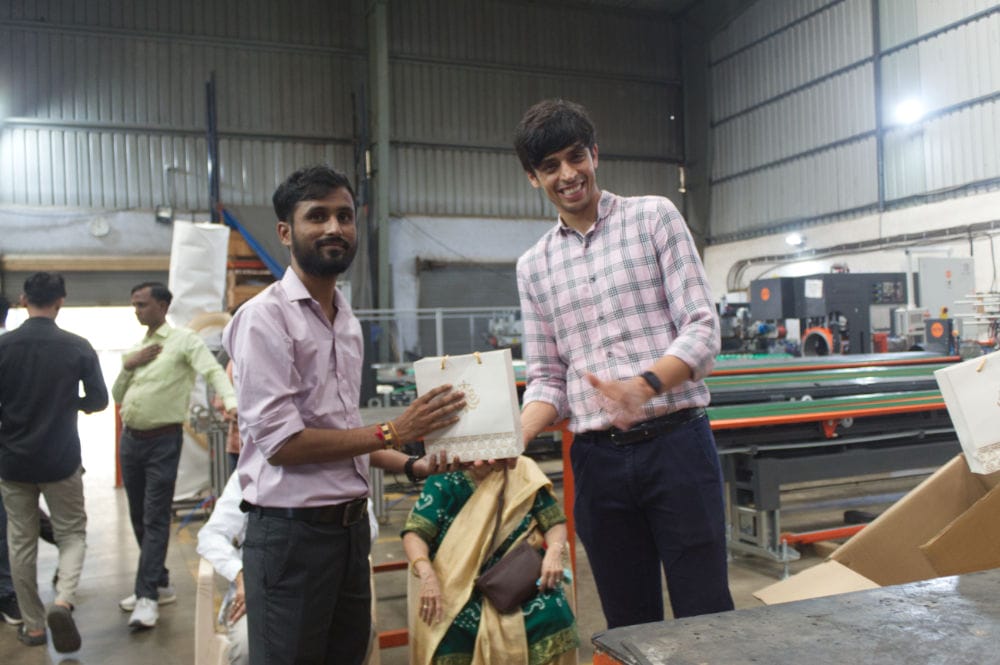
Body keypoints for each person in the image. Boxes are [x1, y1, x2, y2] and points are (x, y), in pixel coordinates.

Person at [222, 164, 467, 665]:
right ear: (286, 232)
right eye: (318, 216)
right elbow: (284, 445)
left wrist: (412, 464)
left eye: (344, 215)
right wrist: (396, 429)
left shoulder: (347, 323)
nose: (335, 227)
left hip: (351, 533)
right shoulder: (264, 319)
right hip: (291, 538)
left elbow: (341, 434)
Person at [513, 99, 734, 628]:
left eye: (575, 158)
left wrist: (645, 385)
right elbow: (546, 377)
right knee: (629, 625)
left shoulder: (653, 218)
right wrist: (512, 438)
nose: (567, 175)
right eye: (550, 167)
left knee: (707, 617)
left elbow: (702, 329)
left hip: (678, 446)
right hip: (597, 465)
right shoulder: (533, 267)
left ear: (595, 154)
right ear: (533, 178)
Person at [112, 281, 238, 629]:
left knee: (154, 517)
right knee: (139, 516)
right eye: (134, 305)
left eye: (142, 304)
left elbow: (213, 371)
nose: (136, 310)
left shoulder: (184, 341)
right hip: (131, 440)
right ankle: (160, 582)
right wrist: (128, 364)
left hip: (162, 442)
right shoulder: (140, 348)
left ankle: (147, 596)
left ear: (163, 306)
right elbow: (116, 393)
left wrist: (231, 401)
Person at [0, 273, 109, 651]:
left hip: (13, 463)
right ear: (61, 301)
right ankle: (62, 601)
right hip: (61, 459)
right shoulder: (77, 347)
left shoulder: (3, 347)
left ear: (23, 298)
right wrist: (70, 403)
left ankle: (32, 625)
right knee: (72, 533)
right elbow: (98, 401)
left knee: (20, 542)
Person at [402, 457, 578, 664]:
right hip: (459, 585)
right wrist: (427, 573)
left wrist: (554, 553)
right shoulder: (444, 479)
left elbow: (554, 522)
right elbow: (415, 534)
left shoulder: (522, 471)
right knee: (448, 630)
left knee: (554, 615)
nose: (479, 463)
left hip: (520, 579)